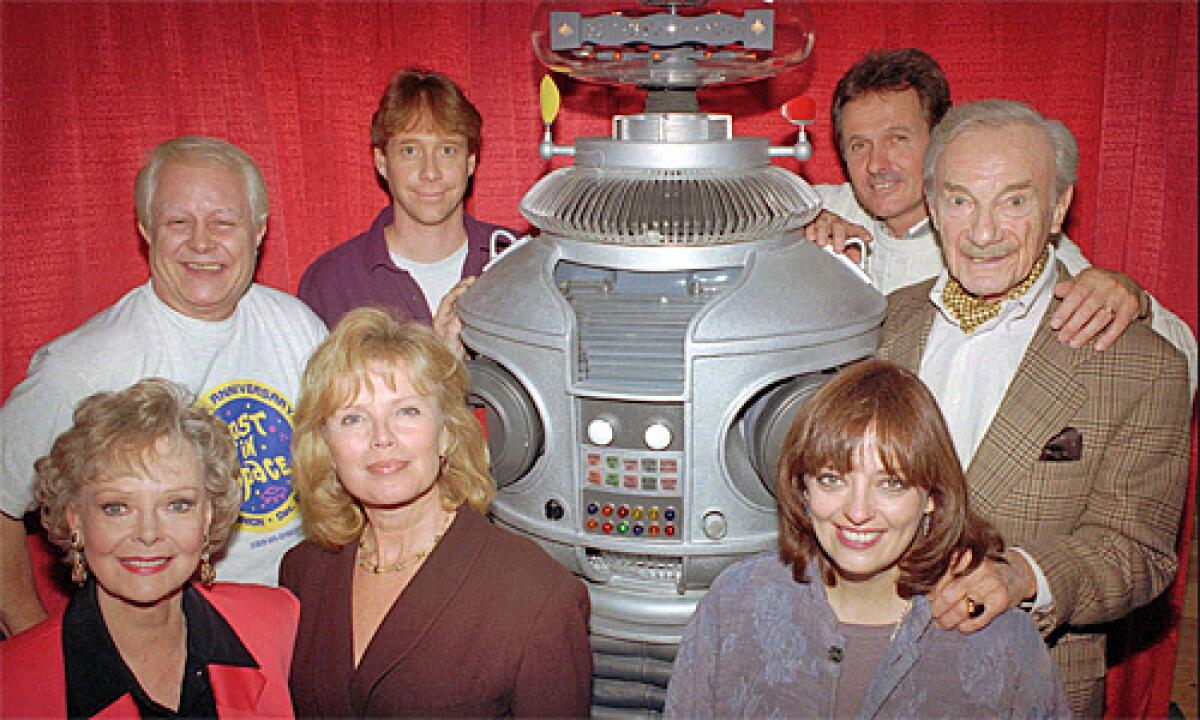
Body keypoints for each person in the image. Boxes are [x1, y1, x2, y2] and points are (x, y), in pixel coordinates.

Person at [878, 99, 1191, 716]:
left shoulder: (1142, 363)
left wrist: (1026, 575)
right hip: (871, 674)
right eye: (962, 200)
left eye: (1014, 201)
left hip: (1034, 685)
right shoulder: (876, 325)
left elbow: (1141, 551)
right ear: (934, 206)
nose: (984, 232)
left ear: (1058, 208)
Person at [0, 135, 327, 637]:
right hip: (167, 643)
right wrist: (31, 641)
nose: (201, 243)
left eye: (223, 222)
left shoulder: (297, 326)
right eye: (179, 223)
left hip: (302, 624)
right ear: (146, 230)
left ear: (258, 231)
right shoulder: (83, 364)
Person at [664, 359, 1070, 718]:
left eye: (890, 484)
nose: (858, 512)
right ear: (802, 487)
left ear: (931, 496)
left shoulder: (1001, 640)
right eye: (832, 479)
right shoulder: (734, 603)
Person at [803, 48, 1197, 392]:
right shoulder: (821, 208)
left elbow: (1183, 364)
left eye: (897, 139)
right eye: (859, 145)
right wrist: (791, 235)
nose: (876, 165)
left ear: (942, 140)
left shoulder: (1015, 239)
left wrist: (1133, 301)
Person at [279, 308, 592, 717]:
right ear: (325, 446)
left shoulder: (538, 596)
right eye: (353, 418)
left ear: (447, 432)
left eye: (406, 411)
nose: (381, 438)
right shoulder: (302, 573)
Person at [0, 378, 297, 716]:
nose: (148, 533)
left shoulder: (276, 622)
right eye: (117, 507)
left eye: (177, 505)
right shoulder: (11, 683)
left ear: (208, 515)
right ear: (75, 519)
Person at [298, 69, 519, 350]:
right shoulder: (332, 282)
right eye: (410, 151)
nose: (430, 173)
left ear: (471, 161)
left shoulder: (518, 264)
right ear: (381, 161)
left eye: (447, 150)